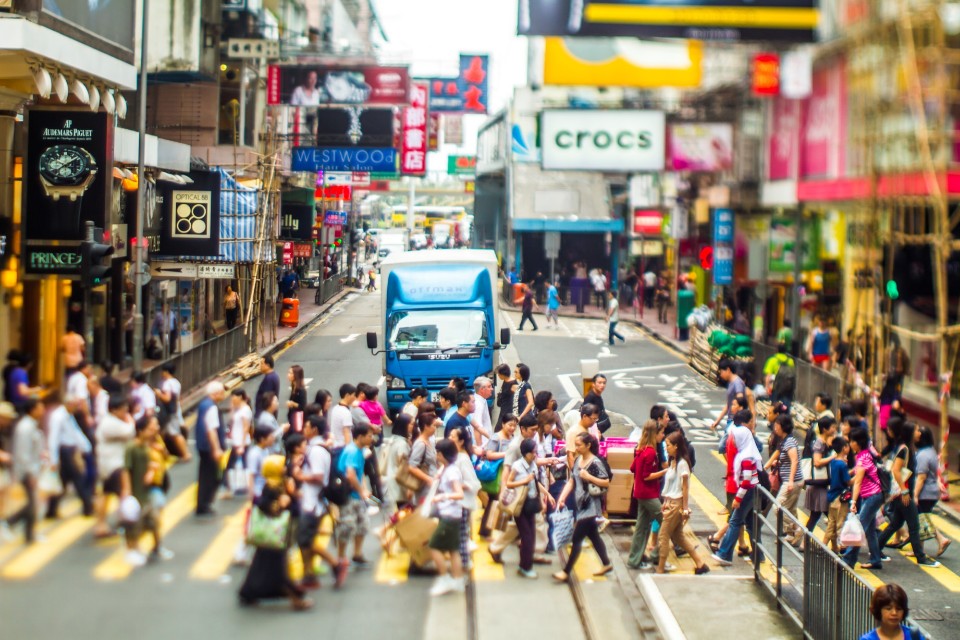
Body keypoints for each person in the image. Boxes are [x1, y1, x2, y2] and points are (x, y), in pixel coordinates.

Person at [238, 454, 313, 611]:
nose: (285, 468)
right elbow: (265, 505)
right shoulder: (272, 488)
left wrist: (290, 495)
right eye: (282, 466)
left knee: (262, 566)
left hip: (275, 535)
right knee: (277, 570)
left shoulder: (280, 484)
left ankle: (248, 593)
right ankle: (296, 599)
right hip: (275, 535)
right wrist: (281, 503)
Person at [877, 422, 940, 567]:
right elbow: (896, 470)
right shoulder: (904, 450)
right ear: (911, 433)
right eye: (917, 430)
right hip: (903, 494)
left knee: (895, 524)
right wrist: (904, 491)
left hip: (902, 493)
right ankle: (921, 557)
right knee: (914, 525)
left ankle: (876, 548)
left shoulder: (907, 449)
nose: (919, 432)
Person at [553, 433, 611, 582]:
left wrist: (589, 477)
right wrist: (562, 497)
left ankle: (566, 572)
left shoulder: (595, 463)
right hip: (580, 505)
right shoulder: (578, 460)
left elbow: (606, 482)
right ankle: (606, 563)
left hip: (591, 505)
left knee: (577, 538)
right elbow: (572, 480)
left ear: (588, 445)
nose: (576, 447)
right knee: (593, 535)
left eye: (579, 445)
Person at [656, 432, 710, 575]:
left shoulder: (682, 464)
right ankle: (700, 563)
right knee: (679, 536)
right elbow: (671, 486)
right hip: (670, 503)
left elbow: (684, 487)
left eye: (668, 445)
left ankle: (660, 569)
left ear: (676, 446)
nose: (665, 448)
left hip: (676, 504)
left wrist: (685, 508)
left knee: (663, 536)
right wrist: (666, 501)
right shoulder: (672, 461)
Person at [122, 415, 172, 566]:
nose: (154, 430)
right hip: (138, 491)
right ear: (141, 431)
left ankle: (155, 547)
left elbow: (164, 458)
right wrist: (127, 490)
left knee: (152, 520)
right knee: (134, 523)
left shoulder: (149, 444)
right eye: (150, 428)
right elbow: (125, 469)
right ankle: (133, 549)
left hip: (148, 490)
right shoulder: (133, 447)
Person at [712, 423, 764, 566]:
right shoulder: (747, 452)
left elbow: (746, 481)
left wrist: (738, 498)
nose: (731, 440)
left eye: (733, 438)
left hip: (747, 492)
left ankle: (724, 553)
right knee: (751, 525)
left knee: (734, 522)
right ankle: (759, 555)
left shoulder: (746, 457)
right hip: (751, 491)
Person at [298, 416, 337, 590]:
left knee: (305, 540)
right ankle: (308, 575)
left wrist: (300, 476)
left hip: (313, 503)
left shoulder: (316, 451)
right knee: (305, 541)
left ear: (314, 429)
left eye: (306, 426)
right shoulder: (314, 449)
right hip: (309, 501)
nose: (304, 429)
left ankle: (335, 564)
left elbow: (319, 477)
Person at [335, 424, 375, 588]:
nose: (371, 438)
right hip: (348, 496)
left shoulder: (359, 451)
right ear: (359, 436)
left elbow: (359, 474)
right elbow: (351, 475)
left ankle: (356, 555)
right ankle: (341, 558)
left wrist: (363, 489)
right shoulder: (352, 451)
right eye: (369, 435)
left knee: (362, 525)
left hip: (356, 496)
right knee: (347, 526)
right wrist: (361, 491)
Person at [44, 392, 93, 519]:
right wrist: (53, 459)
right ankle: (88, 507)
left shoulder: (68, 415)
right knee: (78, 478)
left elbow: (75, 432)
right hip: (65, 452)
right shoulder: (58, 417)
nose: (77, 408)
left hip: (70, 451)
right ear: (69, 404)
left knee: (63, 481)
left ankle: (51, 510)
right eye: (75, 405)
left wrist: (86, 447)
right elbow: (53, 438)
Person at [428, 438, 467, 596]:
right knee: (453, 549)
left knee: (434, 546)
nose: (436, 455)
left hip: (450, 516)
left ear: (442, 454)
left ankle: (445, 578)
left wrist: (442, 497)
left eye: (437, 452)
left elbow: (459, 494)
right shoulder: (447, 469)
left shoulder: (451, 471)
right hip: (451, 515)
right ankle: (457, 580)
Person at [842, 428, 885, 569]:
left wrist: (853, 502)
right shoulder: (866, 454)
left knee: (858, 527)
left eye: (851, 441)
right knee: (870, 529)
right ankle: (875, 559)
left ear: (857, 442)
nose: (850, 444)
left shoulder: (862, 458)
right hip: (873, 495)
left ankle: (848, 559)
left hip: (872, 496)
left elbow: (858, 482)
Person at [627, 420, 666, 569]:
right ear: (654, 434)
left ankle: (634, 559)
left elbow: (632, 468)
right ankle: (657, 555)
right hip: (648, 494)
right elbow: (646, 475)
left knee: (641, 527)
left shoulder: (641, 449)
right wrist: (663, 472)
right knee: (667, 521)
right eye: (661, 433)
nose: (663, 436)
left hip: (640, 493)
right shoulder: (650, 452)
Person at [5, 399, 44, 543]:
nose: (42, 411)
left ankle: (29, 534)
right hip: (26, 471)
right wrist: (29, 473)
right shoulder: (25, 428)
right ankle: (11, 522)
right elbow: (22, 454)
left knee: (31, 503)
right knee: (31, 504)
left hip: (30, 470)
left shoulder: (30, 426)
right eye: (40, 408)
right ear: (32, 409)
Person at [764, 414, 803, 545]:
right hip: (792, 480)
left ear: (783, 427)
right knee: (790, 509)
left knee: (778, 507)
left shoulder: (790, 442)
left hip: (792, 481)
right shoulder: (785, 441)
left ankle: (797, 529)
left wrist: (791, 481)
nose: (775, 427)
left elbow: (795, 461)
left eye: (777, 425)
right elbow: (782, 457)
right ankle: (791, 535)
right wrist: (773, 464)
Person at [914, 425, 951, 558]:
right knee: (922, 518)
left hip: (926, 493)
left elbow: (921, 477)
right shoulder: (931, 451)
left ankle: (941, 540)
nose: (915, 434)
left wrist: (915, 495)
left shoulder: (923, 455)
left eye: (918, 432)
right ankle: (919, 549)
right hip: (932, 491)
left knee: (922, 519)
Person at [802, 416, 837, 547]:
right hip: (819, 485)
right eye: (832, 427)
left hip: (821, 485)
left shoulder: (826, 442)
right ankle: (835, 546)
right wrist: (833, 457)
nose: (834, 429)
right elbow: (817, 462)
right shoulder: (819, 443)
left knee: (815, 516)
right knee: (831, 517)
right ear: (824, 429)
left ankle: (804, 543)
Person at [195, 382, 226, 517]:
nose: (224, 395)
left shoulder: (204, 404)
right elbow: (211, 430)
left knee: (204, 475)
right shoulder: (212, 408)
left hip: (202, 446)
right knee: (211, 476)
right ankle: (204, 503)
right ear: (215, 393)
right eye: (222, 392)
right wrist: (216, 449)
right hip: (209, 447)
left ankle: (202, 503)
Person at [155, 363, 189, 461]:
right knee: (164, 432)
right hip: (175, 408)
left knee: (174, 433)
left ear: (166, 372)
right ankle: (165, 453)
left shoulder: (167, 383)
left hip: (169, 412)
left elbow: (167, 398)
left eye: (163, 371)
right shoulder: (176, 382)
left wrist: (159, 393)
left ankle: (185, 453)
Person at [824, 436, 852, 552]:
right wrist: (858, 475)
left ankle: (825, 546)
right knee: (840, 524)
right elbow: (847, 481)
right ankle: (843, 548)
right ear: (844, 448)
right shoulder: (843, 465)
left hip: (832, 496)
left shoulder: (834, 462)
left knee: (832, 524)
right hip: (841, 499)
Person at [409, 414, 439, 504]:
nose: (435, 428)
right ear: (426, 426)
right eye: (434, 425)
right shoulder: (420, 444)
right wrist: (428, 479)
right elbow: (412, 466)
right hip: (424, 486)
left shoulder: (428, 441)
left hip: (432, 484)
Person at [711, 359, 746, 434]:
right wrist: (718, 421)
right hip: (731, 419)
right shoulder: (731, 383)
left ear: (728, 370)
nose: (721, 375)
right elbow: (728, 404)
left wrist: (738, 418)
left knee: (723, 444)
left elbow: (740, 400)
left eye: (722, 372)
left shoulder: (737, 383)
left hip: (735, 420)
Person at [328, 383, 357, 452]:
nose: (355, 398)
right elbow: (346, 432)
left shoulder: (335, 408)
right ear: (347, 395)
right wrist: (349, 450)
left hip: (334, 445)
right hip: (342, 447)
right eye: (354, 395)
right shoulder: (345, 412)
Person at [468, 376, 493, 447]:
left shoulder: (482, 400)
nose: (492, 389)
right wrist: (480, 446)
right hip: (482, 444)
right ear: (482, 389)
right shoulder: (477, 404)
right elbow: (477, 427)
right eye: (489, 387)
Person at [286, 365, 307, 429]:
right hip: (292, 418)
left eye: (290, 373)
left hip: (297, 420)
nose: (288, 375)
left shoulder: (301, 390)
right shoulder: (294, 386)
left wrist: (292, 403)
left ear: (296, 375)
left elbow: (303, 407)